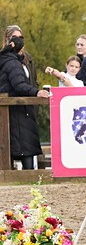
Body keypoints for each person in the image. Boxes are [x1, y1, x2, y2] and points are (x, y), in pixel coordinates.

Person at [0, 30, 51, 169]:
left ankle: (27, 174)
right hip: (17, 109)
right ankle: (28, 174)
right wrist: (36, 92)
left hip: (21, 108)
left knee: (24, 144)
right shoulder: (13, 63)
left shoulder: (15, 60)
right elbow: (19, 85)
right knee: (24, 145)